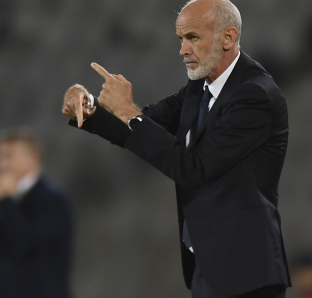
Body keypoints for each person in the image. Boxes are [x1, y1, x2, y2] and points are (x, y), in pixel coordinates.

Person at [62, 0, 290, 297]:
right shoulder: (200, 87)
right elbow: (143, 125)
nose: (183, 50)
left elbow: (193, 169)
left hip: (246, 271)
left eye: (192, 37)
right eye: (180, 39)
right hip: (207, 267)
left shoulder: (254, 96)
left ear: (228, 37)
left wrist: (129, 112)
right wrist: (88, 107)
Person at [0, 128, 73, 298]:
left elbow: (27, 244)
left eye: (9, 157)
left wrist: (7, 201)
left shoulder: (53, 200)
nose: (1, 165)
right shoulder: (0, 200)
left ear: (33, 159)